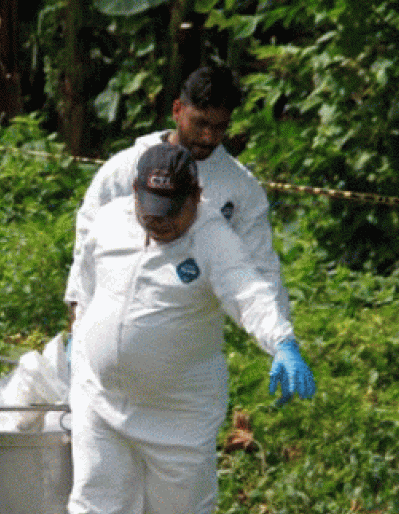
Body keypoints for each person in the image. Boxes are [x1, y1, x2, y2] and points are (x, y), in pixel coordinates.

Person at [64, 143, 316, 514]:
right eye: (149, 208)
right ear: (135, 192)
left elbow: (248, 290)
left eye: (171, 212)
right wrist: (81, 329)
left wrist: (282, 341)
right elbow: (86, 276)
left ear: (196, 197)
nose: (158, 222)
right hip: (101, 397)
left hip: (178, 412)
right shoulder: (112, 219)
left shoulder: (213, 239)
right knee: (97, 504)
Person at [65, 66, 291, 328]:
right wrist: (78, 313)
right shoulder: (126, 168)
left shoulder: (240, 188)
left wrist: (281, 337)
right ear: (177, 110)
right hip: (113, 316)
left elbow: (261, 267)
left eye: (219, 127)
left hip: (188, 329)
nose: (208, 136)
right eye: (200, 123)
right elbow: (87, 240)